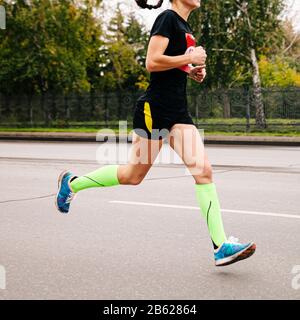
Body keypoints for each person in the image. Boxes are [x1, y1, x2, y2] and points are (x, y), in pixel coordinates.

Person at [55, 0, 256, 267]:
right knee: (132, 175)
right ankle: (73, 183)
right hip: (155, 110)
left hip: (178, 112)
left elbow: (172, 66)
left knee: (203, 171)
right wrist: (189, 58)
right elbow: (152, 62)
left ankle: (220, 247)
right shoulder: (167, 18)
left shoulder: (185, 27)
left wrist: (192, 71)